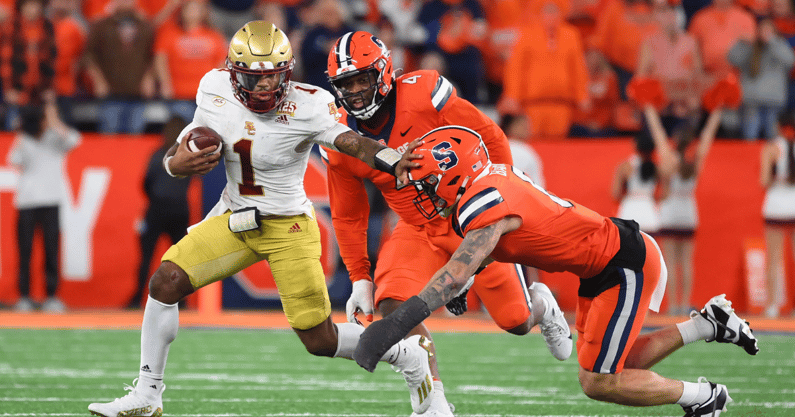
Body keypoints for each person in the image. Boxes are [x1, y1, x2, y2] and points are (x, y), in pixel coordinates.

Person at [87, 21, 430, 417]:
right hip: (234, 218)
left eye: (273, 78)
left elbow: (351, 141)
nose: (265, 88)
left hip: (288, 228)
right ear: (234, 74)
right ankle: (147, 395)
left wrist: (390, 157)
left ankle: (404, 352)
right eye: (254, 78)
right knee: (166, 281)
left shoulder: (309, 102)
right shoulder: (214, 88)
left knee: (318, 339)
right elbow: (184, 149)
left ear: (287, 73)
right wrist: (174, 163)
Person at [353, 125, 760, 416]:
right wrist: (472, 274)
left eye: (426, 184)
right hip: (603, 264)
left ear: (453, 177)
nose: (422, 193)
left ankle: (703, 397)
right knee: (602, 364)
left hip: (623, 263)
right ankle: (708, 325)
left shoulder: (484, 202)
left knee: (599, 381)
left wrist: (394, 325)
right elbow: (507, 243)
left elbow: (456, 272)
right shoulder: (487, 182)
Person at [323, 31, 571, 416]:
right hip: (416, 227)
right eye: (345, 83)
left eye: (362, 79)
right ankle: (433, 403)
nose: (354, 91)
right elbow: (348, 213)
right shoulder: (340, 135)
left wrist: (498, 204)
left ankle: (541, 305)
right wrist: (359, 276)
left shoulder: (423, 94)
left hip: (469, 220)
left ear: (384, 73)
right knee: (393, 308)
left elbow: (491, 137)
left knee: (516, 321)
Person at [644, 103, 722, 316]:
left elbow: (658, 133)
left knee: (669, 262)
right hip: (688, 210)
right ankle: (685, 303)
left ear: (676, 141)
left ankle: (672, 306)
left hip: (670, 211)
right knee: (687, 262)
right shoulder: (695, 160)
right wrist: (717, 111)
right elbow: (707, 137)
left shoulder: (669, 157)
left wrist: (649, 108)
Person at [6, 99, 81, 313]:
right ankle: (25, 297)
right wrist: (24, 137)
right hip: (27, 202)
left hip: (51, 202)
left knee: (51, 250)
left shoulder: (55, 139)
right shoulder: (24, 139)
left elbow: (76, 140)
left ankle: (51, 296)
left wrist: (54, 121)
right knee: (25, 251)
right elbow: (14, 160)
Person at [128, 116, 192, 309]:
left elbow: (146, 182)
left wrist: (155, 197)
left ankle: (137, 298)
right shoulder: (188, 155)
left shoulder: (158, 155)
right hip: (179, 209)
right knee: (181, 260)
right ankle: (182, 300)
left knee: (146, 257)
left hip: (157, 208)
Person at [759, 112, 795, 318]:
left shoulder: (771, 148)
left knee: (774, 259)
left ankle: (772, 305)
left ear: (778, 126)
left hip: (775, 205)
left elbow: (764, 181)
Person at [611, 129, 662, 234]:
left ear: (636, 146)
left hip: (629, 213)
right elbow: (664, 194)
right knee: (651, 250)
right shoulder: (657, 168)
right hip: (649, 213)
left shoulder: (625, 166)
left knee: (628, 250)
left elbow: (615, 194)